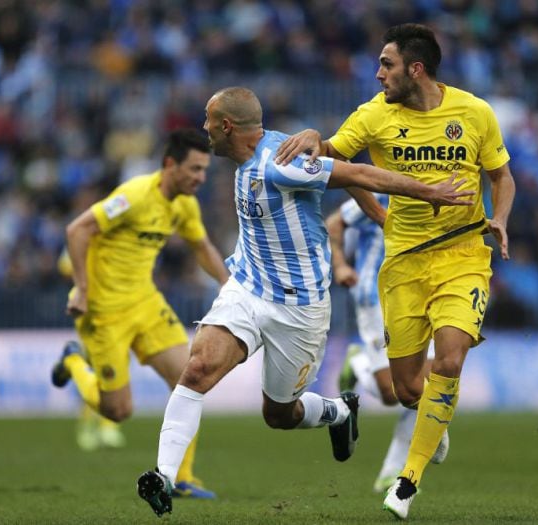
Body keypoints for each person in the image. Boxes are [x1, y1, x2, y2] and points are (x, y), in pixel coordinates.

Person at [136, 86, 477, 518]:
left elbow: (359, 174)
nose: (203, 128)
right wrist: (374, 213)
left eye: (208, 120)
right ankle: (163, 476)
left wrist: (429, 193)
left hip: (300, 309)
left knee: (278, 414)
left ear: (226, 126)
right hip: (247, 287)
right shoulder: (253, 156)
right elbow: (347, 176)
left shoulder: (281, 164)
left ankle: (338, 412)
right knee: (198, 367)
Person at [276, 23, 516, 519]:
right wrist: (317, 144)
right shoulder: (373, 115)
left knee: (449, 360)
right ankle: (435, 414)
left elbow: (501, 175)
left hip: (465, 255)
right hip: (404, 261)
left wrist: (501, 218)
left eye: (386, 64)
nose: (378, 73)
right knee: (405, 390)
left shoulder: (474, 112)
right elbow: (333, 162)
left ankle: (407, 482)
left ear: (416, 68)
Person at [50, 128, 229, 498]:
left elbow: (202, 247)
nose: (200, 178)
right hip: (103, 311)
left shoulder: (184, 204)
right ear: (169, 165)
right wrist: (82, 290)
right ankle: (72, 361)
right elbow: (77, 230)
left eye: (204, 171)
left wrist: (229, 285)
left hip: (145, 303)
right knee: (117, 411)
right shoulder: (133, 196)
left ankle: (181, 477)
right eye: (194, 169)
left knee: (192, 377)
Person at [326, 196, 443, 495]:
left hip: (422, 294)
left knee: (423, 384)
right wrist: (339, 265)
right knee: (394, 395)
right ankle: (359, 364)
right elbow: (334, 223)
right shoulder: (382, 190)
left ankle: (393, 472)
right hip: (377, 297)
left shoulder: (438, 185)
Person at [57, 249, 126, 452]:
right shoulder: (82, 238)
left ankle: (108, 426)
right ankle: (88, 426)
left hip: (118, 310)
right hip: (92, 309)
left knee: (117, 370)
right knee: (97, 371)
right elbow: (64, 267)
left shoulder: (118, 240)